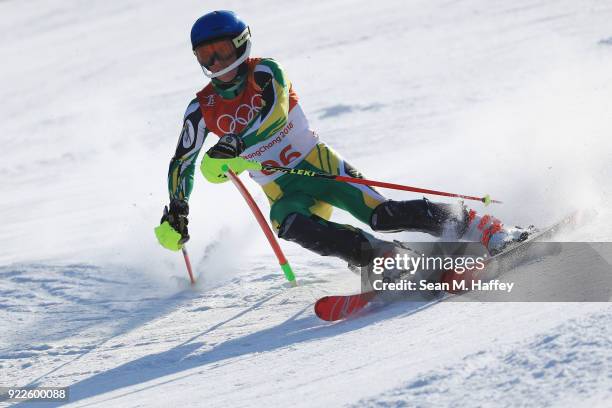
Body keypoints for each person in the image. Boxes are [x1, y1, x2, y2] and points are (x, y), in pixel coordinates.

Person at [155, 10, 531, 269]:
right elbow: (182, 162)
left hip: (321, 169)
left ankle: (487, 229)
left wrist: (237, 143)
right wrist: (178, 210)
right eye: (206, 56)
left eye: (221, 51)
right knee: (286, 222)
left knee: (382, 215)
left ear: (241, 44)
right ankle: (383, 259)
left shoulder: (267, 72)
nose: (216, 63)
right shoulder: (200, 106)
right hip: (286, 191)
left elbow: (275, 113)